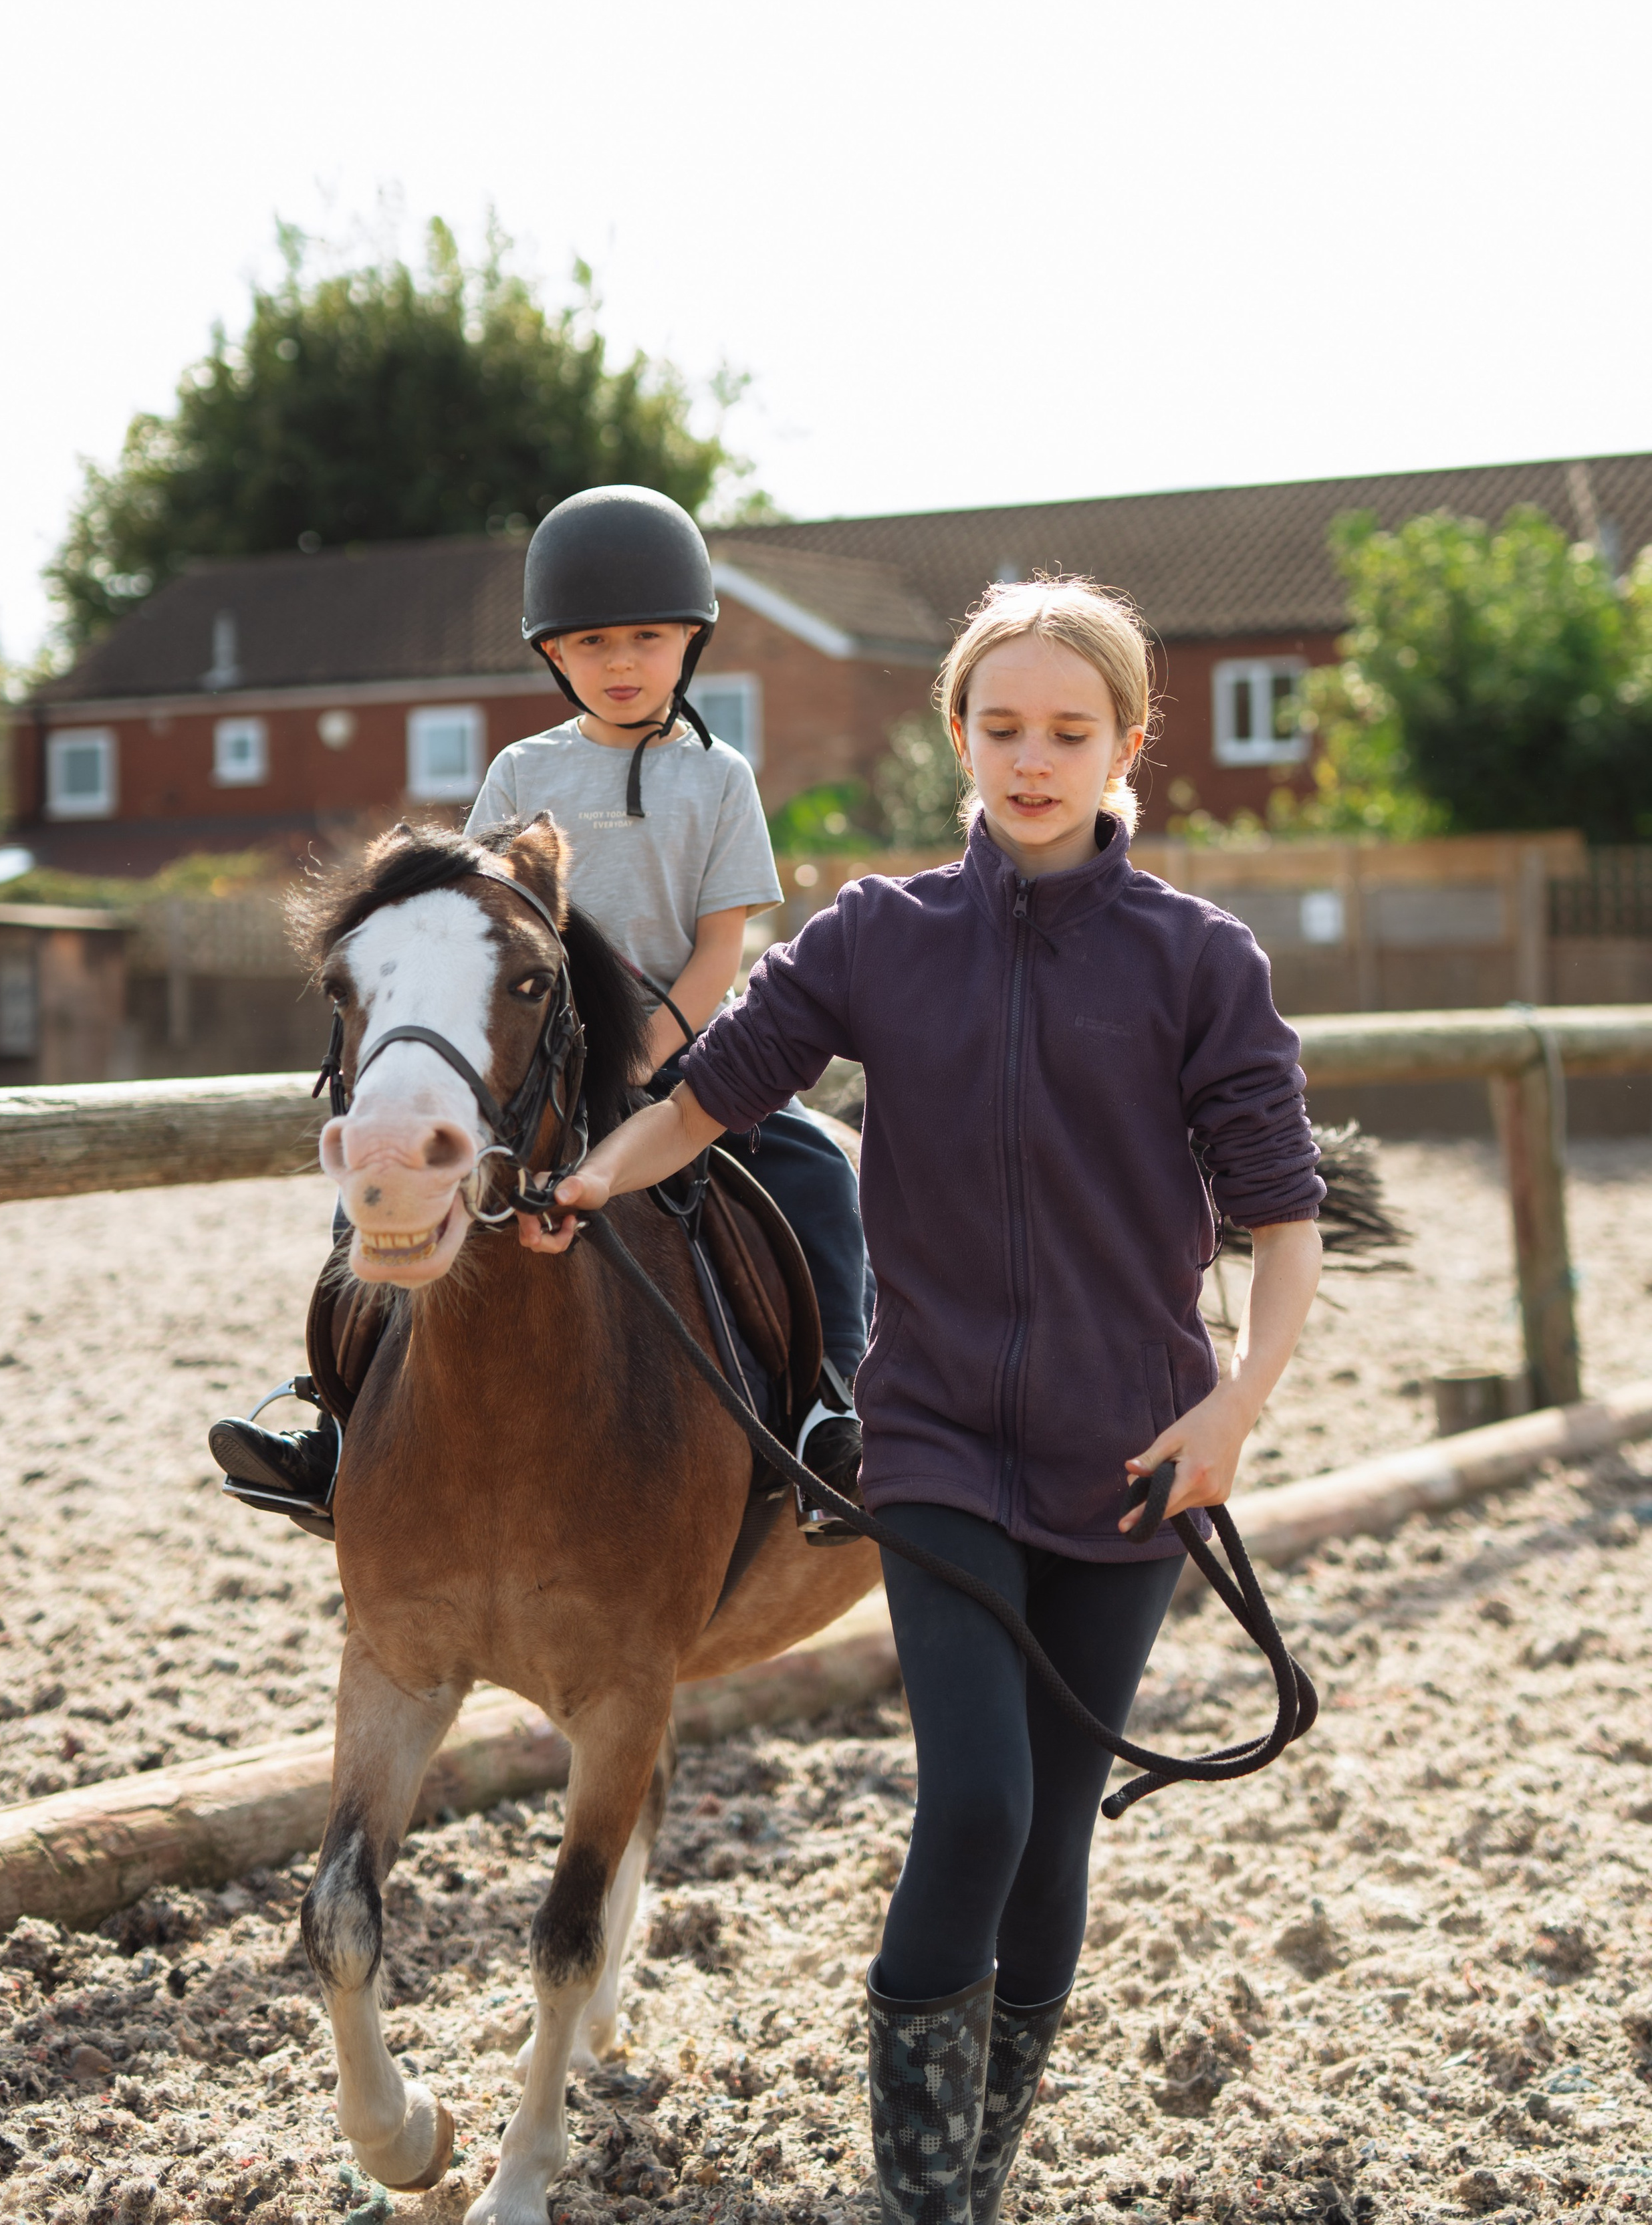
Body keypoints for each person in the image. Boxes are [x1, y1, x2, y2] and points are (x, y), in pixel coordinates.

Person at [521, 574, 1325, 2225]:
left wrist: (1234, 1406)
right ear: (956, 735)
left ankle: (975, 2171)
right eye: (1001, 727)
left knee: (1054, 1840)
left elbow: (1283, 1213)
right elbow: (711, 1096)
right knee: (975, 1803)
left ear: (1124, 747)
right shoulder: (876, 937)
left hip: (1134, 1451)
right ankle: (918, 2201)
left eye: (1068, 733)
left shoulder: (1199, 961)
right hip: (936, 1437)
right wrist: (593, 1181)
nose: (1031, 760)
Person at [209, 486, 868, 1516]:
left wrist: (645, 1061)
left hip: (685, 1051)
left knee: (818, 1168)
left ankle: (832, 1412)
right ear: (554, 654)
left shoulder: (720, 777)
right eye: (592, 642)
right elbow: (474, 919)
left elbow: (719, 949)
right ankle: (336, 1430)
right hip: (542, 1057)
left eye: (647, 638)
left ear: (691, 641)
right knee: (373, 1184)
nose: (620, 662)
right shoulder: (523, 769)